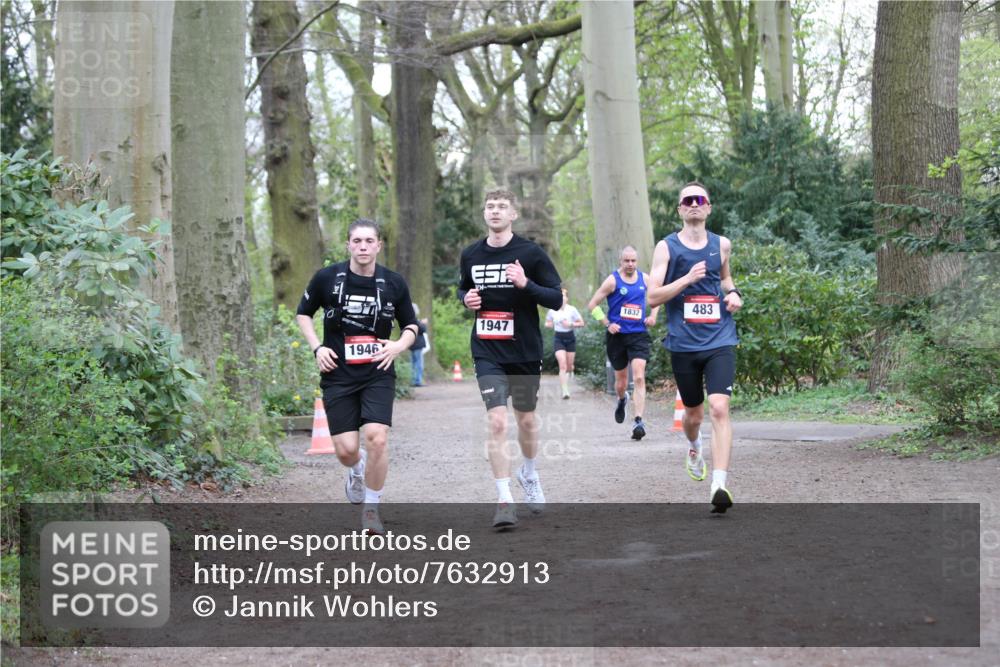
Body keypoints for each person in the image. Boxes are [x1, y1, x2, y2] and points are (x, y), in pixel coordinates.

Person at [296, 219, 420, 534]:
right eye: (357, 241)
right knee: (347, 450)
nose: (363, 247)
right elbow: (303, 314)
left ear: (379, 245)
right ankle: (356, 468)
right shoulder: (327, 278)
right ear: (349, 245)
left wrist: (398, 346)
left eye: (369, 241)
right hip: (337, 373)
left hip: (378, 371)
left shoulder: (393, 283)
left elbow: (411, 326)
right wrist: (317, 348)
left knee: (377, 437)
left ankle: (371, 509)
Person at [459, 188, 563, 529]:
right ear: (484, 213)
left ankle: (529, 474)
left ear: (513, 214)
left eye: (502, 206)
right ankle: (504, 500)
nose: (495, 211)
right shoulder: (471, 254)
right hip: (487, 349)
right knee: (498, 421)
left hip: (524, 350)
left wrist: (525, 284)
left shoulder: (530, 253)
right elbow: (463, 287)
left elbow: (556, 300)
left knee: (527, 421)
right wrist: (467, 299)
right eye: (490, 206)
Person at [647, 182, 742, 514]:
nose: (693, 204)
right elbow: (652, 297)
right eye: (687, 200)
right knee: (693, 414)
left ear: (709, 207)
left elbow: (726, 279)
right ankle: (693, 445)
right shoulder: (666, 248)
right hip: (684, 344)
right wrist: (686, 279)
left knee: (718, 408)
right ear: (680, 209)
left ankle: (719, 484)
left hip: (720, 339)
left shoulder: (722, 245)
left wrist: (734, 294)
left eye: (699, 199)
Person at [586, 246, 660, 441]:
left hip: (638, 335)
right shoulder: (612, 281)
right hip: (617, 337)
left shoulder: (645, 279)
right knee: (621, 382)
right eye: (626, 261)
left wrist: (652, 316)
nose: (630, 264)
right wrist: (607, 323)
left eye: (633, 261)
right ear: (621, 261)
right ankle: (622, 399)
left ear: (637, 261)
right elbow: (592, 305)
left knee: (639, 377)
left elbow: (657, 299)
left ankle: (638, 421)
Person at [544, 288, 585, 399]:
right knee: (562, 365)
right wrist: (551, 324)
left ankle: (571, 369)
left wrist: (570, 324)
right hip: (558, 338)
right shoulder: (552, 310)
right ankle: (565, 390)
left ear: (567, 298)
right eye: (559, 296)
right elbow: (547, 322)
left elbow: (582, 323)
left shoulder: (572, 310)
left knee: (569, 366)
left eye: (563, 296)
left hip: (570, 338)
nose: (562, 298)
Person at [410, 303, 429, 387]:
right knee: (418, 364)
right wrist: (424, 323)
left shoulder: (409, 319)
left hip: (412, 344)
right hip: (417, 345)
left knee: (414, 363)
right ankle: (417, 381)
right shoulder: (414, 319)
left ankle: (414, 380)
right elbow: (422, 329)